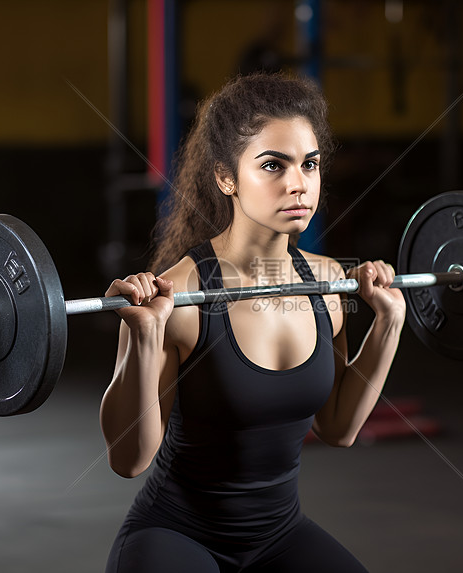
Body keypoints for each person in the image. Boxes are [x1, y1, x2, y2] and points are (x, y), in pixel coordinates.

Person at [100, 73, 406, 573]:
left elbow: (339, 428)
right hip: (175, 536)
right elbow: (127, 460)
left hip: (279, 537)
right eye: (273, 166)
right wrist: (144, 336)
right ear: (226, 178)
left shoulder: (327, 284)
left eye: (309, 164)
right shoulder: (177, 298)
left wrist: (388, 323)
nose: (298, 184)